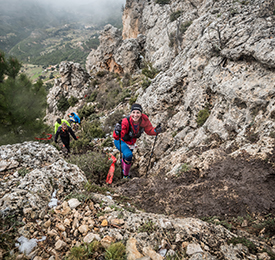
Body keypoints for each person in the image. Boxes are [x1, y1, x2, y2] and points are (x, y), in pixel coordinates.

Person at [113, 103, 162, 179]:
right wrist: (117, 131)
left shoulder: (144, 120)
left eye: (138, 112)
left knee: (127, 158)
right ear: (131, 113)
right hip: (120, 141)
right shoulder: (126, 121)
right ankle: (125, 176)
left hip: (131, 143)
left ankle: (124, 168)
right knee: (128, 155)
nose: (135, 115)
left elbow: (149, 131)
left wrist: (156, 130)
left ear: (141, 113)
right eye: (133, 112)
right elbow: (117, 136)